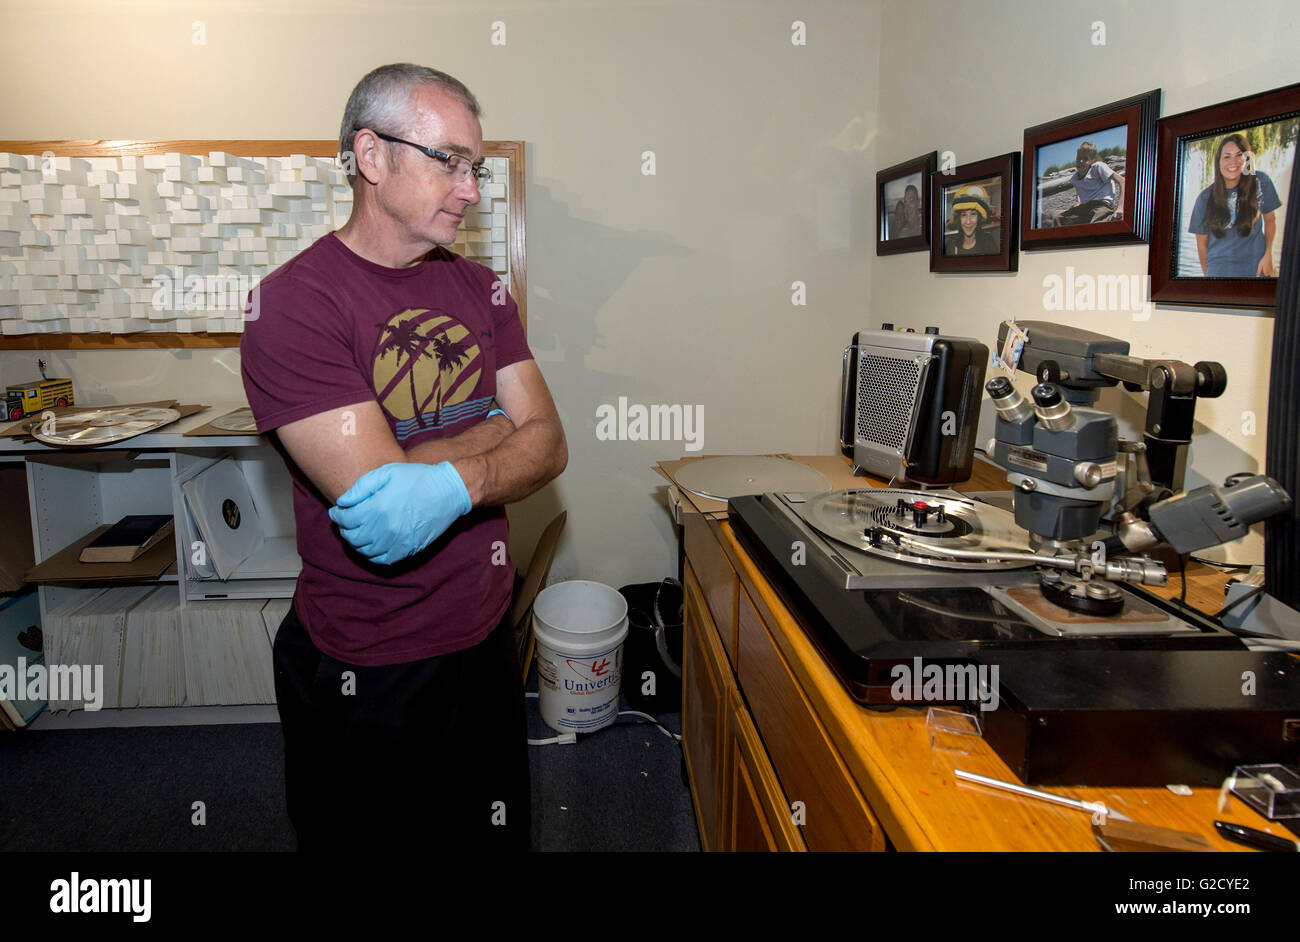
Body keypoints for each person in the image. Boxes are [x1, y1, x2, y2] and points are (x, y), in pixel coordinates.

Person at [240, 63, 567, 852]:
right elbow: (386, 506)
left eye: (475, 167)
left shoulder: (484, 290)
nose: (471, 188)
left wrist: (447, 472)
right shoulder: (294, 304)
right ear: (373, 156)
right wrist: (494, 432)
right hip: (369, 663)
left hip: (485, 640)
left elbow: (550, 443)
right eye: (448, 160)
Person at [1187, 132, 1282, 278]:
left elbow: (1270, 220)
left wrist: (1269, 253)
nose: (1234, 162)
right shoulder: (1205, 198)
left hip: (1256, 271)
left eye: (1239, 155)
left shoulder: (1260, 182)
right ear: (1218, 162)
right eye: (1227, 156)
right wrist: (1209, 280)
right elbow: (1201, 245)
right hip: (1219, 274)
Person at [1044, 141, 1124, 227]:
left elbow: (1122, 181)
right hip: (1085, 207)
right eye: (1078, 158)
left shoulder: (1097, 167)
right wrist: (1078, 202)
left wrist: (1120, 208)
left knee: (1098, 225)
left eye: (1085, 159)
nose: (1081, 161)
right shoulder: (1074, 178)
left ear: (1092, 161)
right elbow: (1079, 190)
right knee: (1058, 219)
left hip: (1101, 205)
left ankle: (1116, 219)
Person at [944, 184, 999, 255]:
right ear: (959, 218)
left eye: (973, 214)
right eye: (964, 215)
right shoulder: (951, 245)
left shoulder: (988, 242)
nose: (968, 221)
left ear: (979, 217)